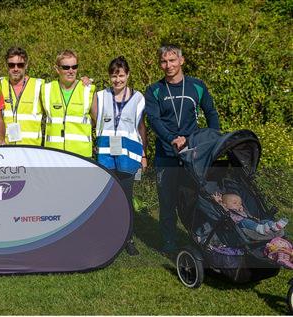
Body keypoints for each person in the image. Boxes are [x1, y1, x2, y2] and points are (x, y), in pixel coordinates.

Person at [144, 44, 220, 254]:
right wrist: (171, 139)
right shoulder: (154, 90)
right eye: (164, 61)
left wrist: (214, 139)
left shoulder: (197, 86)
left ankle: (200, 240)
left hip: (193, 155)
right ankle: (169, 243)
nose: (168, 65)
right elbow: (154, 120)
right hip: (166, 154)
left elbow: (211, 112)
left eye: (172, 60)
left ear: (181, 60)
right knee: (167, 202)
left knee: (195, 200)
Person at [92, 56, 147, 256]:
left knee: (126, 197)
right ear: (109, 76)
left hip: (129, 155)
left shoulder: (139, 97)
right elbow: (93, 118)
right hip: (107, 155)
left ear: (128, 75)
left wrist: (144, 155)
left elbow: (141, 127)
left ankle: (128, 238)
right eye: (114, 76)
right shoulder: (99, 96)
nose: (118, 80)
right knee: (108, 198)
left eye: (121, 75)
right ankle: (109, 236)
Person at [42, 50, 96, 158]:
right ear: (57, 69)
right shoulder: (46, 89)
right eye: (66, 67)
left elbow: (97, 121)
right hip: (53, 155)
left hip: (81, 156)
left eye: (74, 67)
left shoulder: (87, 89)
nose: (71, 71)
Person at [0, 47, 43, 145]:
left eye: (20, 65)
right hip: (6, 150)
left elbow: (63, 88)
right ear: (6, 66)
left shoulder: (40, 86)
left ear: (26, 65)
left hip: (31, 151)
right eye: (11, 65)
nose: (16, 69)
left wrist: (82, 81)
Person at [212, 192, 288, 235]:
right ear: (225, 205)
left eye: (240, 203)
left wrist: (241, 209)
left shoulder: (239, 210)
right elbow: (221, 207)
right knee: (246, 221)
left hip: (252, 222)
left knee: (264, 221)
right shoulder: (226, 209)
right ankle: (260, 228)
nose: (239, 204)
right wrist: (219, 201)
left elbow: (245, 214)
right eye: (235, 203)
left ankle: (274, 226)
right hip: (239, 225)